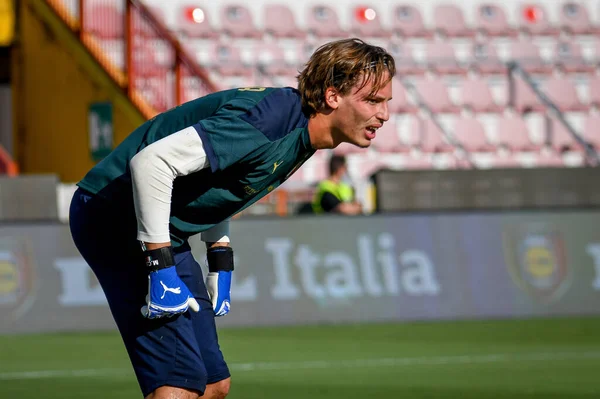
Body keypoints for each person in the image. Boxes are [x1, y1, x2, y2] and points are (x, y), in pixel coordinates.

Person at [69, 37, 395, 399]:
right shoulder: (272, 121)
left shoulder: (300, 130)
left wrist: (218, 252)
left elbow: (219, 180)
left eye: (386, 102)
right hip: (113, 215)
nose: (383, 114)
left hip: (155, 230)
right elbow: (151, 163)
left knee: (213, 384)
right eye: (373, 100)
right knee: (178, 385)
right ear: (333, 97)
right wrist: (159, 264)